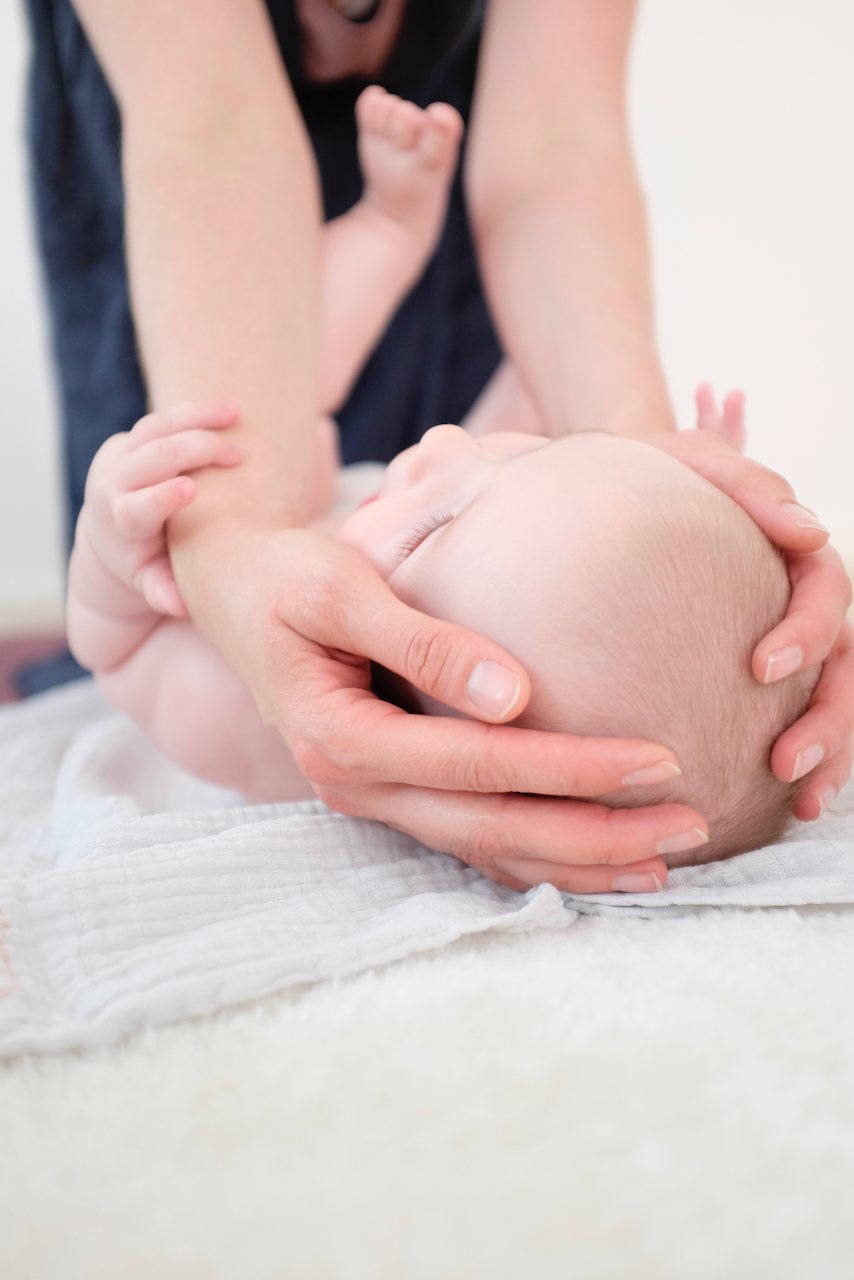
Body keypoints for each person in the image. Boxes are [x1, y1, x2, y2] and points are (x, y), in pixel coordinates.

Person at [27, 1, 854, 895]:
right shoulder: (470, 542)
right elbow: (212, 132)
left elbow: (120, 649)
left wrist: (124, 547)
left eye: (437, 528)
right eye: (527, 456)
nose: (450, 443)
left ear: (452, 732)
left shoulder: (267, 723)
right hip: (211, 216)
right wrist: (659, 467)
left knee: (244, 443)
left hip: (344, 227)